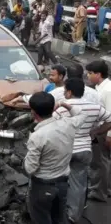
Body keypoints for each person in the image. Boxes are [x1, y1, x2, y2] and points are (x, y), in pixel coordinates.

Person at [24, 92, 85, 224]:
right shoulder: (68, 124)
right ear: (53, 109)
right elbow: (81, 114)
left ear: (33, 112)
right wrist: (63, 104)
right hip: (63, 183)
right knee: (59, 218)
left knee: (41, 219)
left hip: (42, 186)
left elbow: (30, 168)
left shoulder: (37, 136)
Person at [57, 78, 111, 223]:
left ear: (69, 91)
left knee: (60, 180)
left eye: (64, 91)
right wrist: (96, 132)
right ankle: (74, 215)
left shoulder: (61, 108)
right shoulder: (95, 107)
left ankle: (60, 211)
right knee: (79, 183)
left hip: (64, 149)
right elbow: (109, 120)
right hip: (85, 150)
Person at [85, 60, 111, 202]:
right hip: (102, 129)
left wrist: (108, 135)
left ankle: (99, 192)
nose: (88, 76)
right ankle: (105, 188)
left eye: (90, 73)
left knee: (100, 162)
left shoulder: (107, 90)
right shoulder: (100, 87)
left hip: (104, 130)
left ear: (98, 74)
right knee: (103, 161)